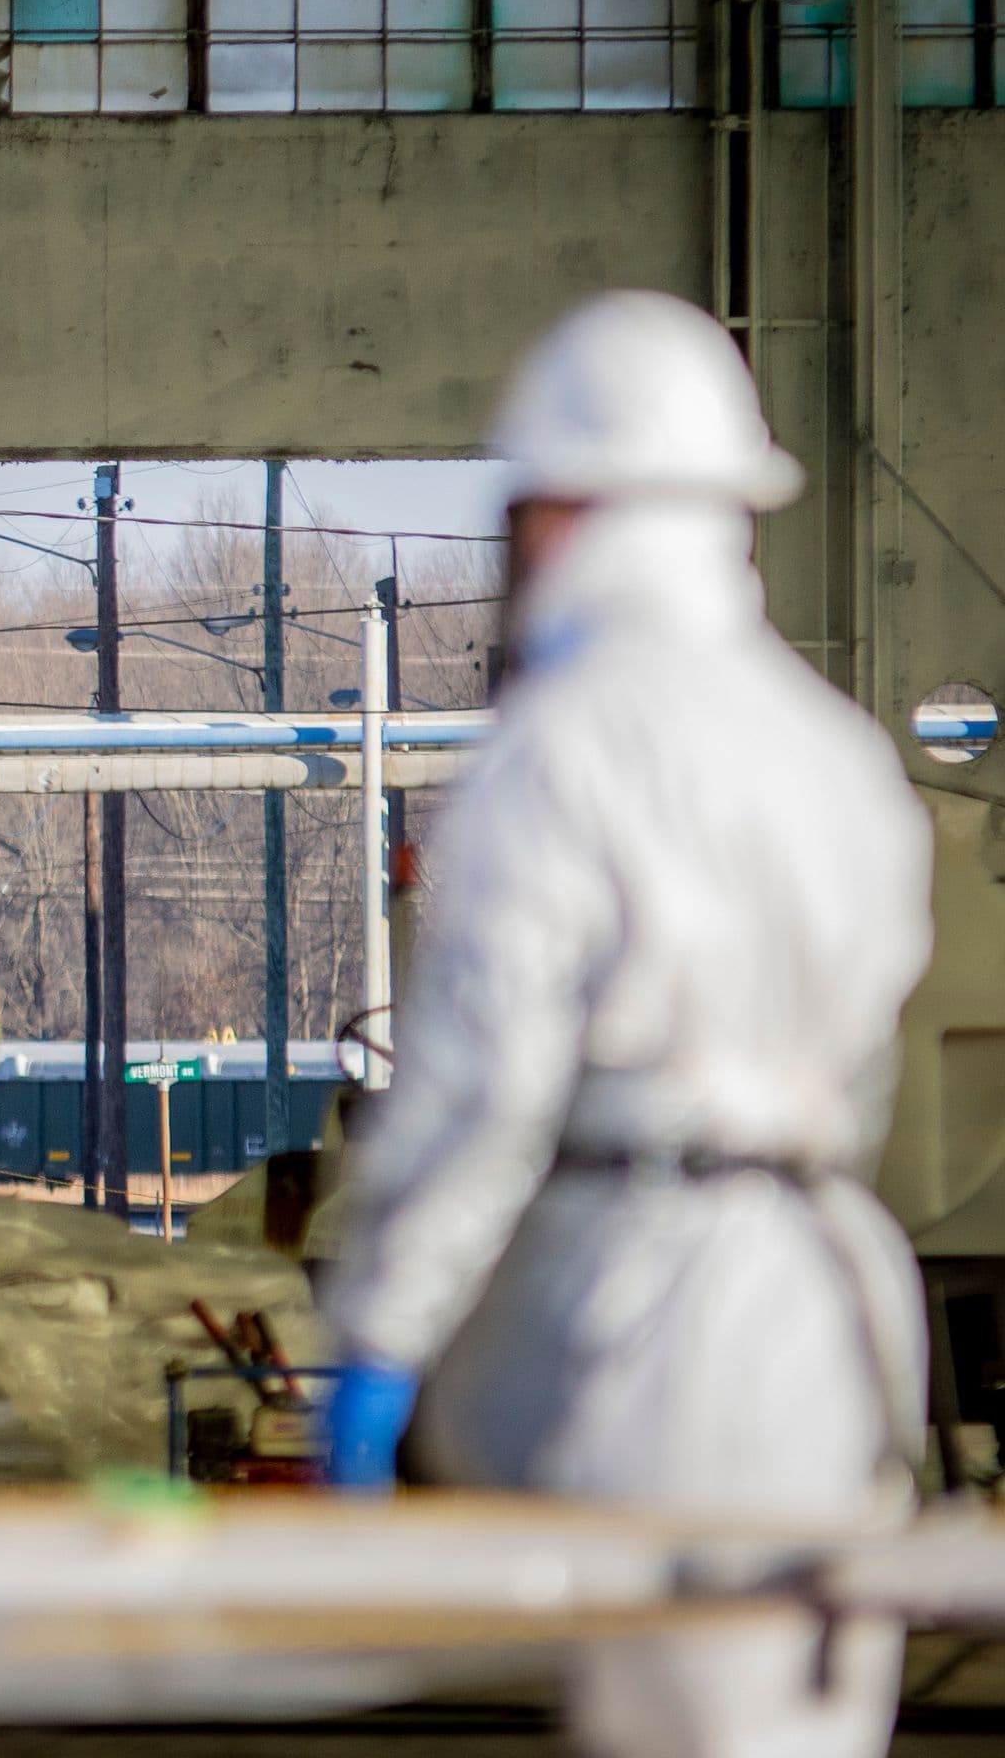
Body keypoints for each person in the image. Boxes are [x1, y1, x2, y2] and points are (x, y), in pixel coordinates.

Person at [317, 290, 934, 1758]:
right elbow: (863, 1070)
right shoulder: (839, 753)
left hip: (650, 1327)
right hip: (838, 1309)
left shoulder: (562, 748)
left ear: (566, 510)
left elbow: (482, 1092)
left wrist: (382, 1334)